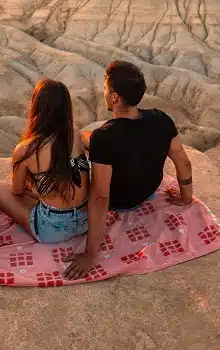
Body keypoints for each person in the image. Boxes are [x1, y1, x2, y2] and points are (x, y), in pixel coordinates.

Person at [65, 60, 194, 279]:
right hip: (149, 191)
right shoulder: (161, 119)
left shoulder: (105, 137)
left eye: (106, 89)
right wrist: (186, 199)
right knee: (85, 139)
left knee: (72, 153)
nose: (103, 93)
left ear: (114, 97)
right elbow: (183, 162)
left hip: (120, 203)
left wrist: (90, 254)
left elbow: (100, 197)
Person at [0, 79, 90, 244]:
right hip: (87, 220)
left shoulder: (26, 149)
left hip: (52, 229)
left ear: (36, 107)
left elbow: (17, 190)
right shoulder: (74, 132)